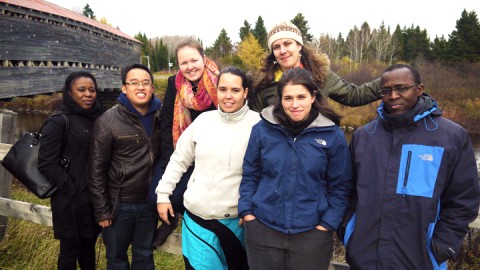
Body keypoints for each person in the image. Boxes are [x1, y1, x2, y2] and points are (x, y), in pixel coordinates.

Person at [341, 64, 480, 269]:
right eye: (386, 90)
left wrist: (442, 246)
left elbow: (464, 198)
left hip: (422, 258)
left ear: (419, 89)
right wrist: (347, 231)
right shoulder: (364, 136)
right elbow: (347, 190)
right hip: (365, 256)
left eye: (401, 88)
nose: (393, 95)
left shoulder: (450, 136)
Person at [239, 67, 354, 270]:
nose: (295, 105)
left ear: (313, 97)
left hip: (312, 234)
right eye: (288, 98)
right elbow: (251, 174)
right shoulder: (262, 130)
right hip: (264, 230)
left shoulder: (331, 135)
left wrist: (327, 224)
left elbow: (341, 186)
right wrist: (248, 213)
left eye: (301, 97)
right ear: (280, 100)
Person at [156, 66, 260, 269]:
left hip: (236, 223)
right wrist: (162, 195)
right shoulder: (204, 121)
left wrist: (254, 209)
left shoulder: (259, 125)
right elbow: (179, 160)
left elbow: (268, 174)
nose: (228, 96)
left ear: (245, 92)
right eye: (222, 89)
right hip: (197, 219)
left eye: (235, 90)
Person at [88, 64, 161, 269]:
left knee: (145, 256)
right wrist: (102, 211)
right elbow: (95, 169)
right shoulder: (107, 121)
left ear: (152, 88)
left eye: (146, 83)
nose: (141, 87)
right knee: (117, 258)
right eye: (134, 83)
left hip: (149, 202)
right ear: (124, 88)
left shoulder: (161, 116)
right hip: (119, 204)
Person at [150, 39, 220, 246]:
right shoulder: (175, 83)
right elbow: (167, 121)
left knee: (181, 197)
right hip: (179, 149)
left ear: (204, 59)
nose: (189, 67)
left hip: (208, 154)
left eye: (194, 60)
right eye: (183, 62)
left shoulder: (220, 81)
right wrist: (169, 155)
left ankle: (184, 227)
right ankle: (167, 222)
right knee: (154, 195)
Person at [38, 71, 103, 270]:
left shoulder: (97, 118)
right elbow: (46, 163)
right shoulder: (59, 121)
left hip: (92, 199)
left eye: (92, 90)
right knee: (69, 251)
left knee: (88, 249)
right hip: (69, 200)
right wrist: (73, 189)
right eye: (81, 90)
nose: (88, 94)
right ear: (69, 92)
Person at [249, 21, 381, 112]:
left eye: (287, 43)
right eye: (276, 47)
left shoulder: (320, 74)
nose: (282, 51)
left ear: (299, 45)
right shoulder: (264, 82)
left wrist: (389, 81)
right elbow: (255, 121)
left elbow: (354, 96)